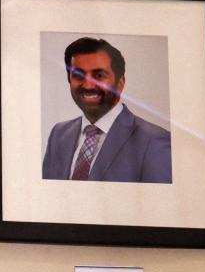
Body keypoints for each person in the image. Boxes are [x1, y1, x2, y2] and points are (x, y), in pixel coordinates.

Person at [41, 37, 172, 183]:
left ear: (120, 83)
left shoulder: (154, 141)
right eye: (78, 76)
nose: (88, 85)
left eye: (99, 76)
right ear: (69, 80)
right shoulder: (59, 134)